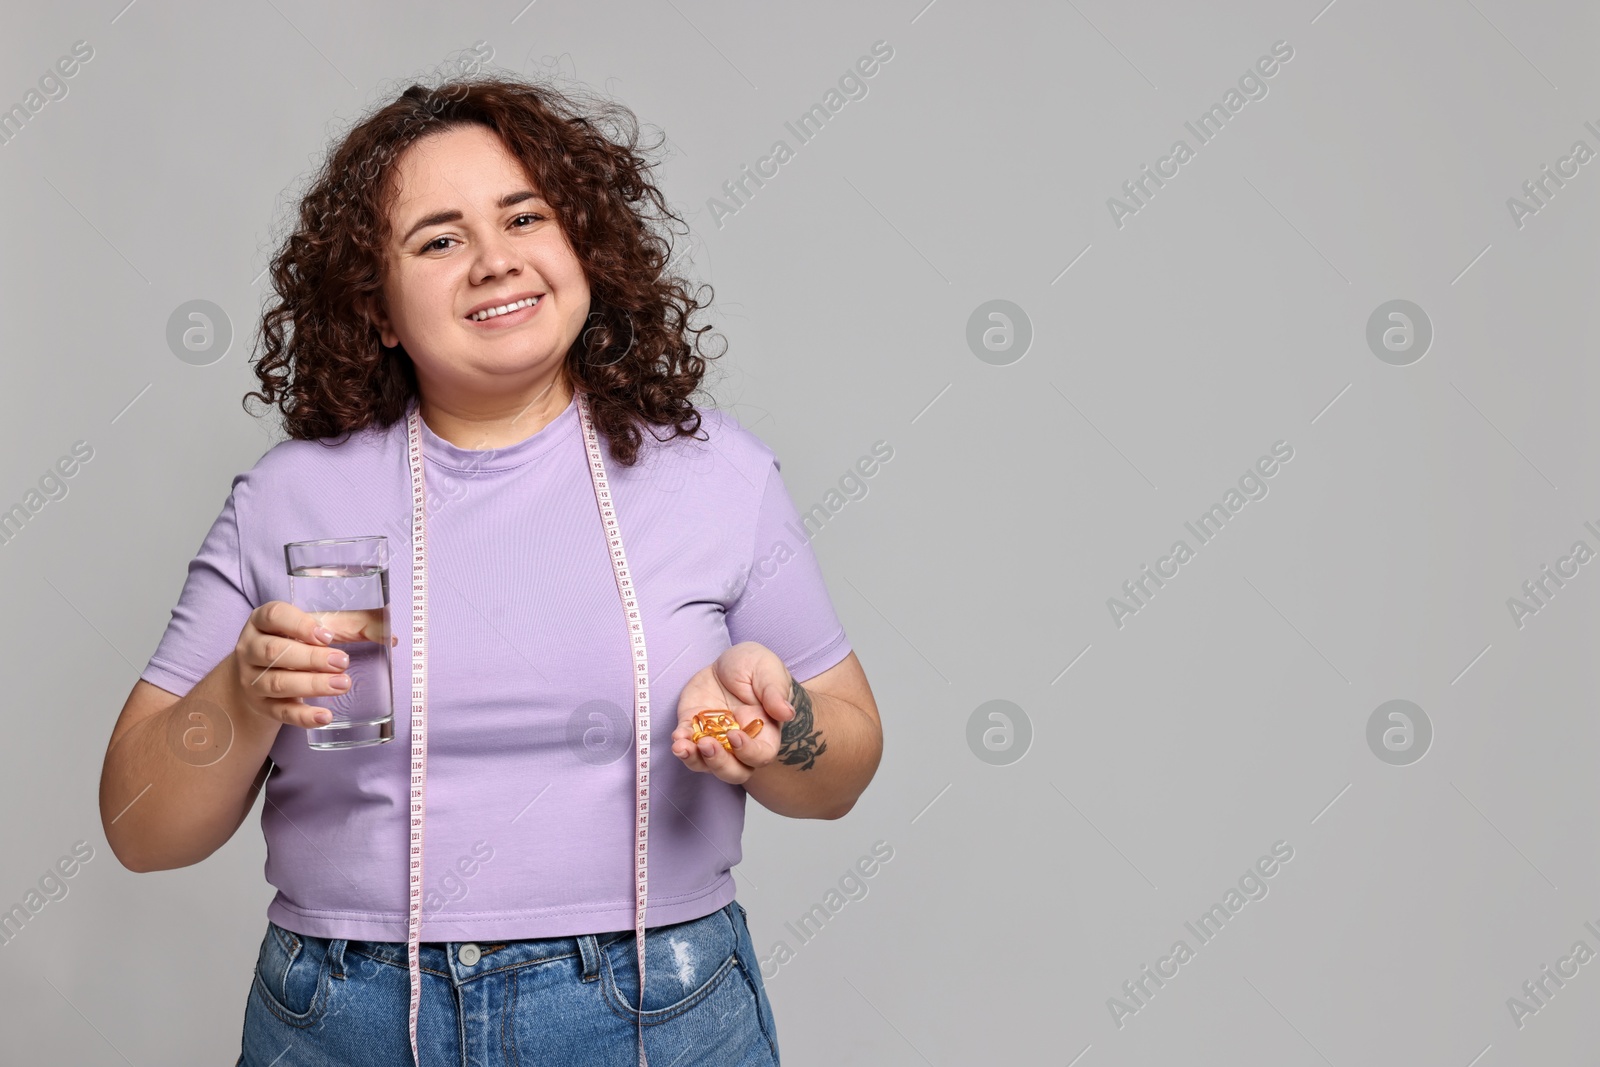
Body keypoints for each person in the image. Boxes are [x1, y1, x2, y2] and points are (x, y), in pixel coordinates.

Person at [96, 73, 883, 1067]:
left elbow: (842, 766)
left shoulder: (717, 475)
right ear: (376, 308)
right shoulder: (288, 499)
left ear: (583, 246)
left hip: (655, 1009)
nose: (494, 260)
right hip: (345, 1018)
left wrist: (782, 732)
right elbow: (139, 828)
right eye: (439, 239)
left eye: (525, 217)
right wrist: (242, 695)